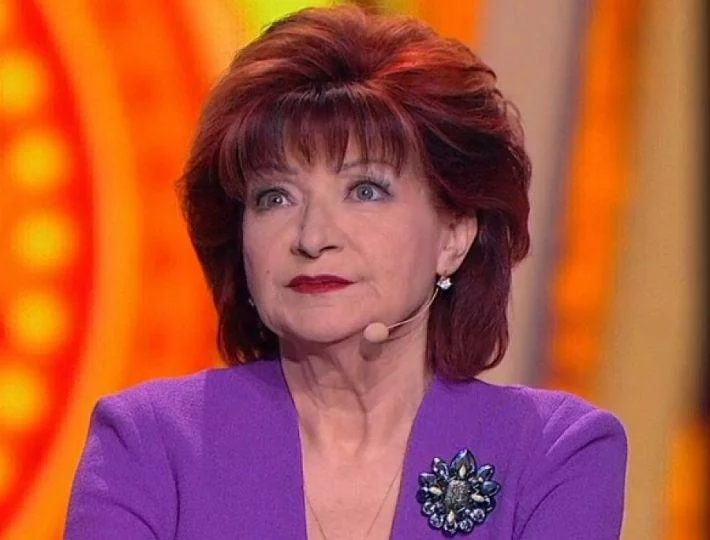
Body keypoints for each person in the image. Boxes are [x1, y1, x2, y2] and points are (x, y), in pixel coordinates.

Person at [64, 4, 627, 539]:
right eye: (275, 197)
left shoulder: (554, 453)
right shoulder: (147, 444)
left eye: (365, 190)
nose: (312, 238)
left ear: (454, 235)